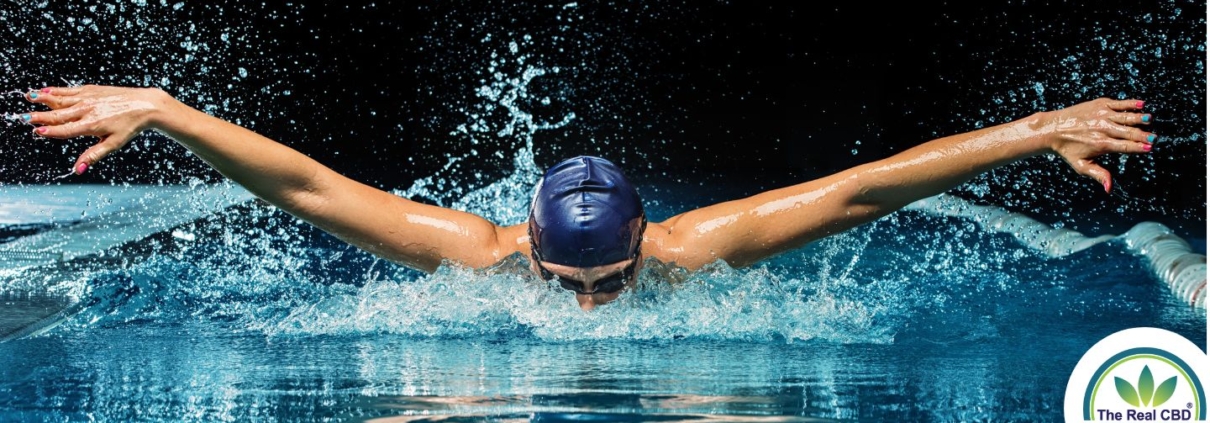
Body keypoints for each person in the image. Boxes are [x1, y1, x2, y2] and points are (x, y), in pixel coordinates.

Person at [18, 85, 1156, 310]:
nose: (591, 307)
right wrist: (165, 109)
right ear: (523, 241)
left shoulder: (697, 249)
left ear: (645, 239)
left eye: (610, 281)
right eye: (565, 284)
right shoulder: (472, 252)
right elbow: (310, 187)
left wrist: (1036, 128)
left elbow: (863, 188)